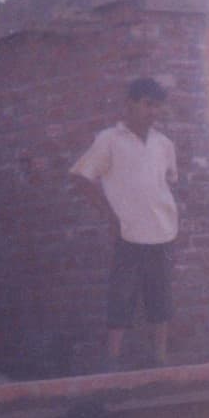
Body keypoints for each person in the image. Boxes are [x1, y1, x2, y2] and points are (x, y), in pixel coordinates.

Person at [72, 78, 180, 367]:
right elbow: (81, 177)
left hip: (162, 231)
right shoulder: (110, 139)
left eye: (157, 106)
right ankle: (112, 361)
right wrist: (109, 215)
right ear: (130, 104)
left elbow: (167, 182)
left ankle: (160, 358)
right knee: (121, 295)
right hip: (128, 232)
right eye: (147, 104)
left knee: (161, 296)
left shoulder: (164, 144)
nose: (153, 112)